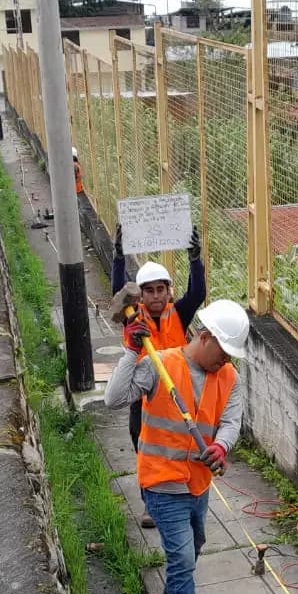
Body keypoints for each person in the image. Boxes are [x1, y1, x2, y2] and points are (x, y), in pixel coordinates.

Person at [104, 300, 250, 594]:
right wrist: (131, 353)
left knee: (196, 542)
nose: (226, 361)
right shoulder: (161, 363)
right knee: (182, 558)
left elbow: (232, 421)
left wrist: (221, 447)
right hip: (162, 481)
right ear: (205, 337)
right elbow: (113, 398)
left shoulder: (229, 376)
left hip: (197, 482)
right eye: (224, 351)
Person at [111, 225, 206, 528]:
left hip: (178, 396)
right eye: (148, 290)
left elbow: (198, 292)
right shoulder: (132, 316)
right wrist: (118, 256)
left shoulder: (179, 313)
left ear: (169, 291)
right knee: (145, 449)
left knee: (182, 447)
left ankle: (185, 492)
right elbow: (118, 290)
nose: (155, 296)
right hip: (144, 397)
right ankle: (151, 504)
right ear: (140, 294)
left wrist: (195, 260)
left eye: (160, 289)